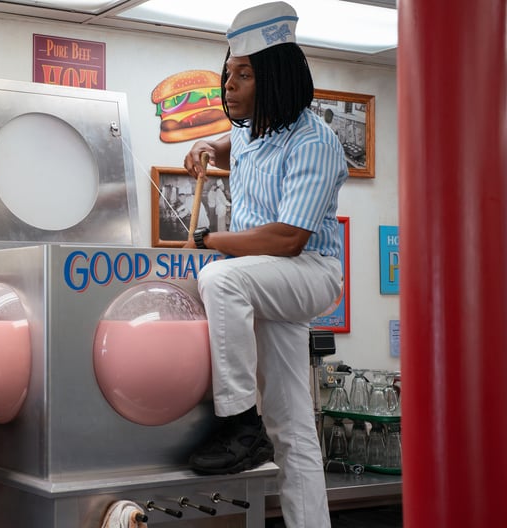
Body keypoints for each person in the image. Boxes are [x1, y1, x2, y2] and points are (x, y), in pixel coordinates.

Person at [183, 3, 347, 528]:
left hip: (309, 271)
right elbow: (237, 150)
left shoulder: (315, 141)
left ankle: (238, 424)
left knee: (219, 278)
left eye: (244, 74)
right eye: (227, 73)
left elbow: (288, 238)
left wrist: (213, 239)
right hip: (270, 281)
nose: (228, 86)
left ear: (274, 76)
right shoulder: (255, 133)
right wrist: (208, 143)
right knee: (293, 427)